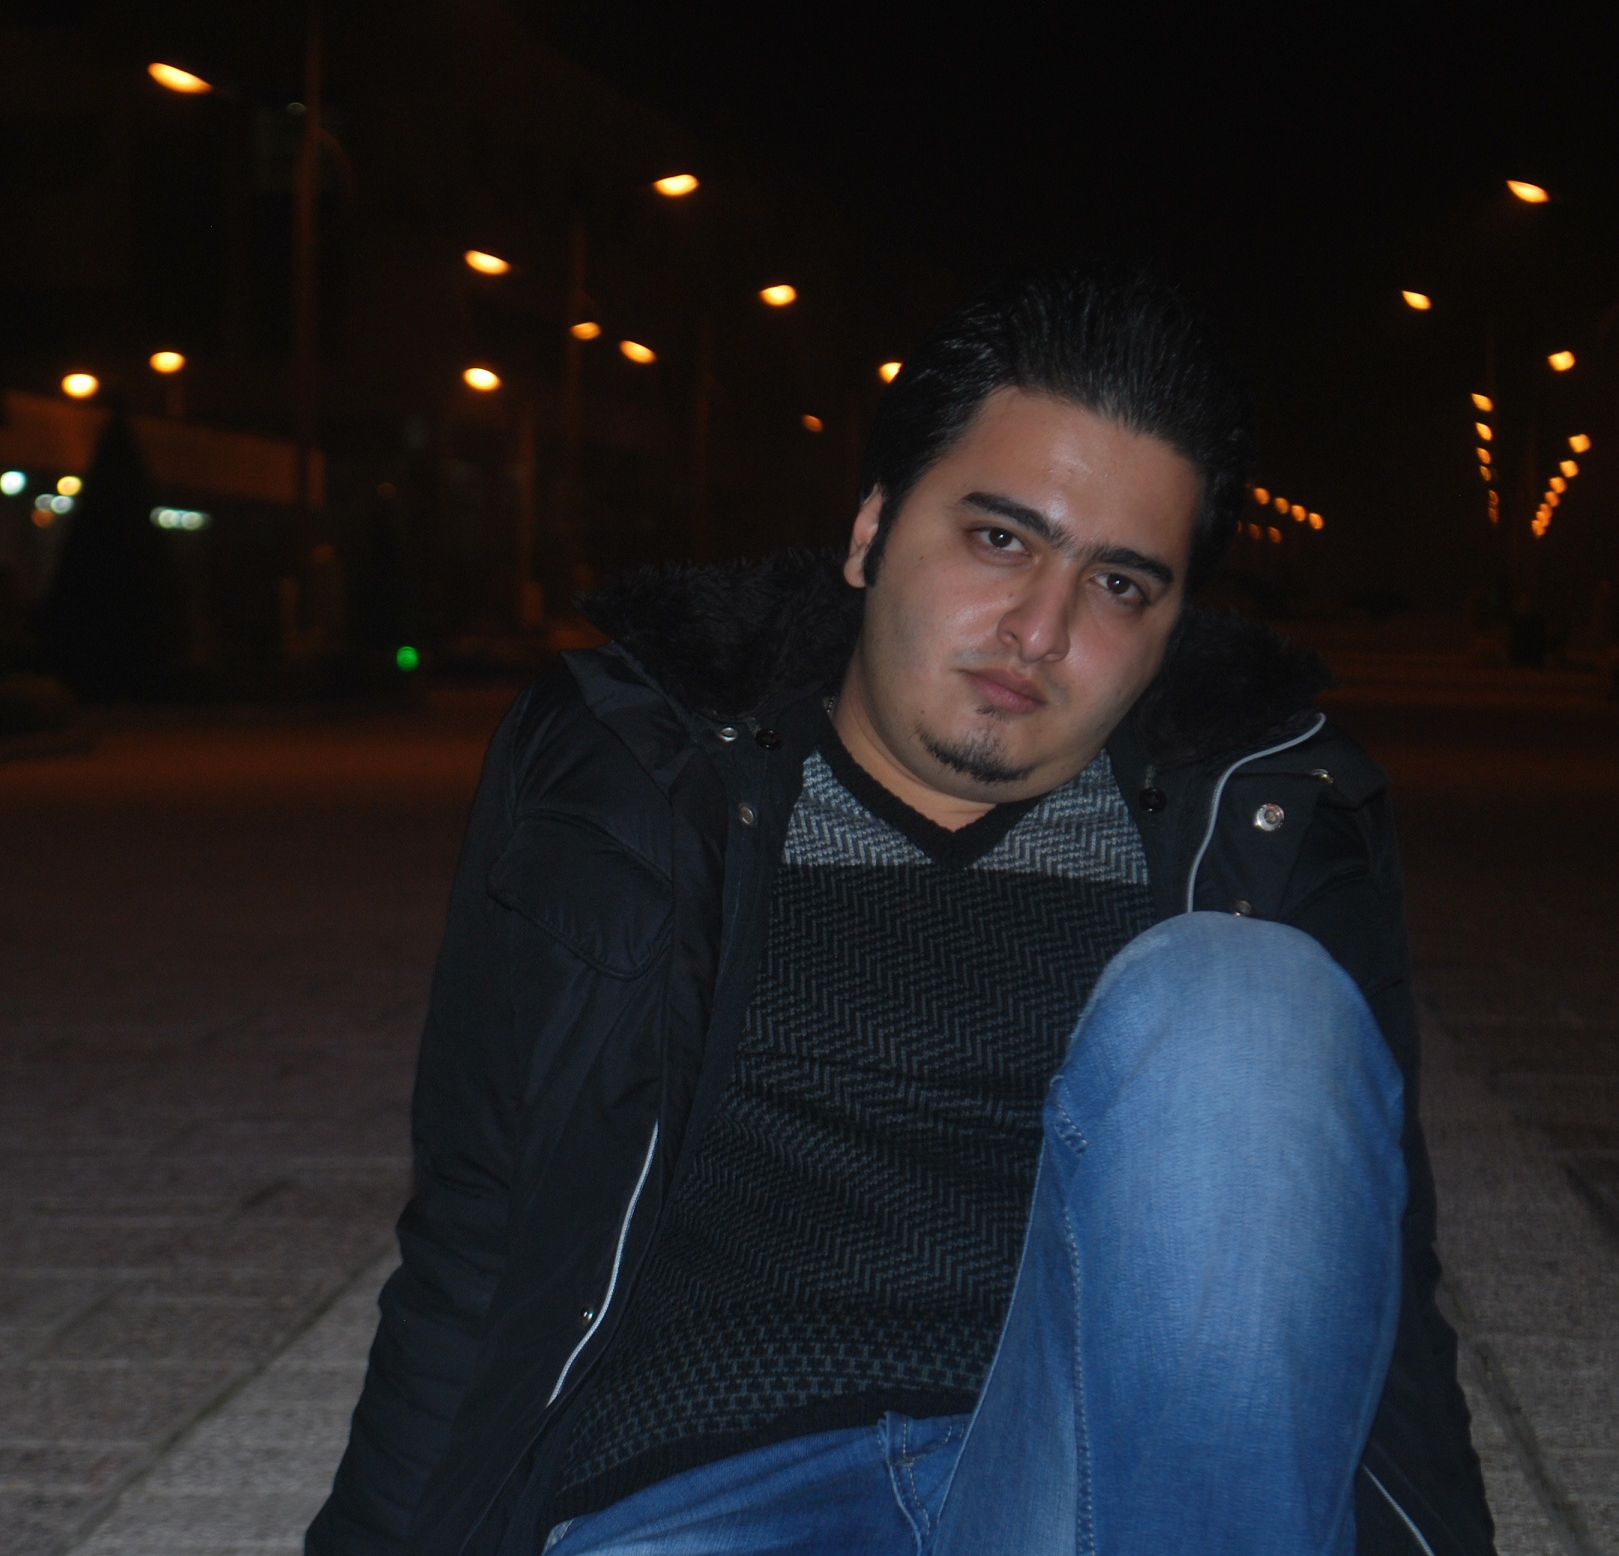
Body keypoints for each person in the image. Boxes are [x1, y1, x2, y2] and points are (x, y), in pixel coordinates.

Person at [306, 263, 1495, 1556]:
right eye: (1001, 540)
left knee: (1250, 999)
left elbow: (1365, 1285)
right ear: (872, 532)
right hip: (698, 1498)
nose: (1040, 628)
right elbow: (478, 1230)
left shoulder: (1263, 829)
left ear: (1172, 630)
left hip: (1080, 1502)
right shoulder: (639, 782)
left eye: (1119, 585)